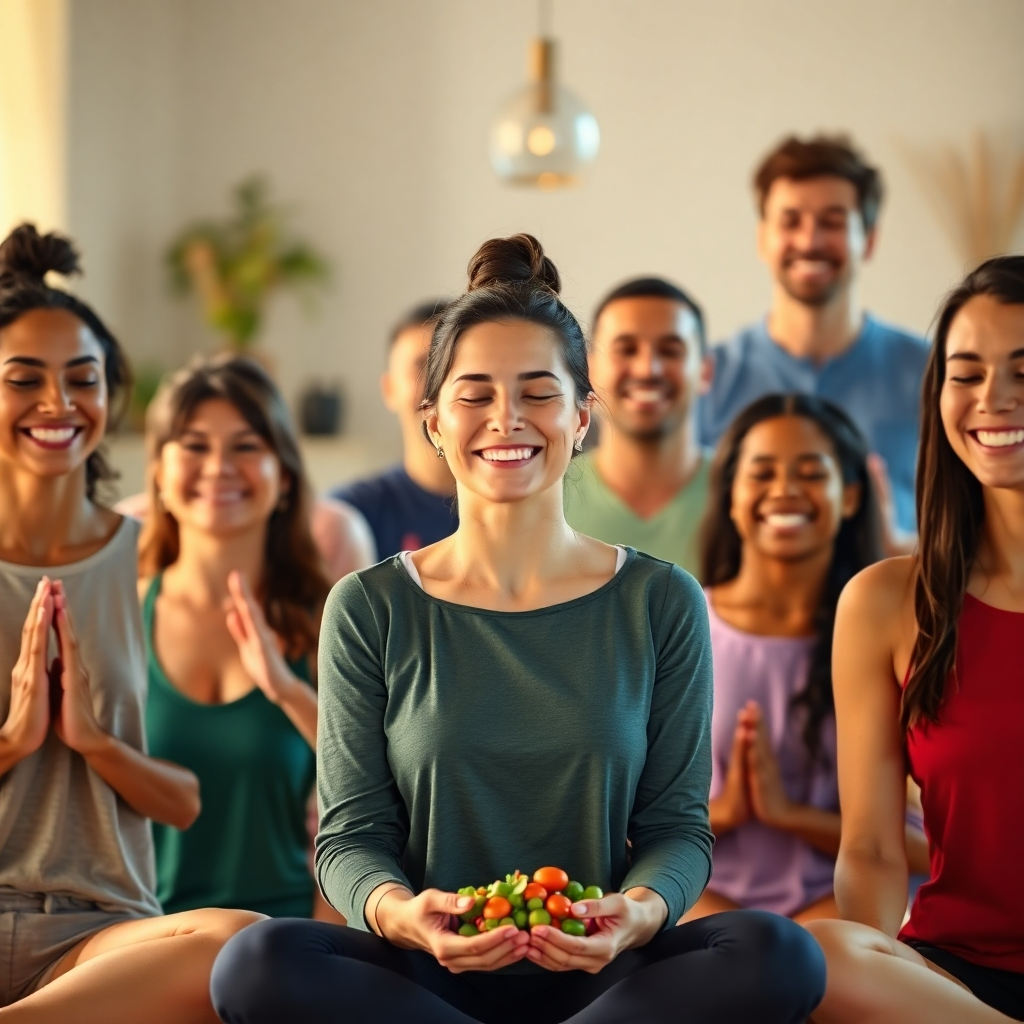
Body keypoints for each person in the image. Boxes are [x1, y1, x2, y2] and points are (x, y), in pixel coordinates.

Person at [209, 234, 826, 1024]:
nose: (507, 419)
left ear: (582, 417)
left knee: (780, 952)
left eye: (539, 392)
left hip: (602, 970)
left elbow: (676, 829)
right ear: (433, 420)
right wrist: (401, 914)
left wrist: (637, 911)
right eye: (474, 395)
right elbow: (349, 837)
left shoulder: (661, 599)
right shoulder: (369, 606)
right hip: (427, 973)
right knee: (257, 964)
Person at [0, 224, 258, 1022]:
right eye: (24, 379)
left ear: (112, 396)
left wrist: (93, 742)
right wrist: (15, 739)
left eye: (83, 379)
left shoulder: (151, 562)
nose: (58, 404)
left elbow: (182, 803)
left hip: (102, 934)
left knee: (242, 943)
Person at [805, 256, 1024, 1022]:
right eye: (967, 374)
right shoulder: (883, 602)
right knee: (824, 957)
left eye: (1022, 370)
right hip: (957, 982)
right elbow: (869, 850)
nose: (993, 399)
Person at [682, 394, 928, 926]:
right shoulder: (678, 625)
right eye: (762, 472)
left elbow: (927, 851)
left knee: (809, 969)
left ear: (852, 496)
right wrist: (725, 814)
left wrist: (791, 817)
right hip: (699, 903)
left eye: (812, 472)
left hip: (840, 910)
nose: (786, 490)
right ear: (730, 494)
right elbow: (621, 832)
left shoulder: (884, 634)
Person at [139, 355, 333, 919]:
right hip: (141, 939)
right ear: (158, 473)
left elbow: (385, 795)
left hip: (281, 940)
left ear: (285, 479)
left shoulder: (333, 620)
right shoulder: (120, 613)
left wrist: (287, 691)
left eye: (246, 446)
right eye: (195, 446)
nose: (219, 466)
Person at [697, 134, 930, 546]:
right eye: (791, 221)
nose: (809, 241)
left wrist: (902, 549)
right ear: (763, 238)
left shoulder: (934, 374)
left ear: (870, 239)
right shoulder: (707, 380)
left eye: (833, 222)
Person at [563, 278, 711, 577]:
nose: (648, 369)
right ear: (589, 369)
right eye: (626, 350)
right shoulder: (548, 497)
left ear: (705, 371)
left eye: (670, 351)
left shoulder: (749, 493)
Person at [329, 300, 457, 558]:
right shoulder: (348, 516)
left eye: (449, 364)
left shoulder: (516, 509)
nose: (437, 382)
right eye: (421, 365)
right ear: (389, 390)